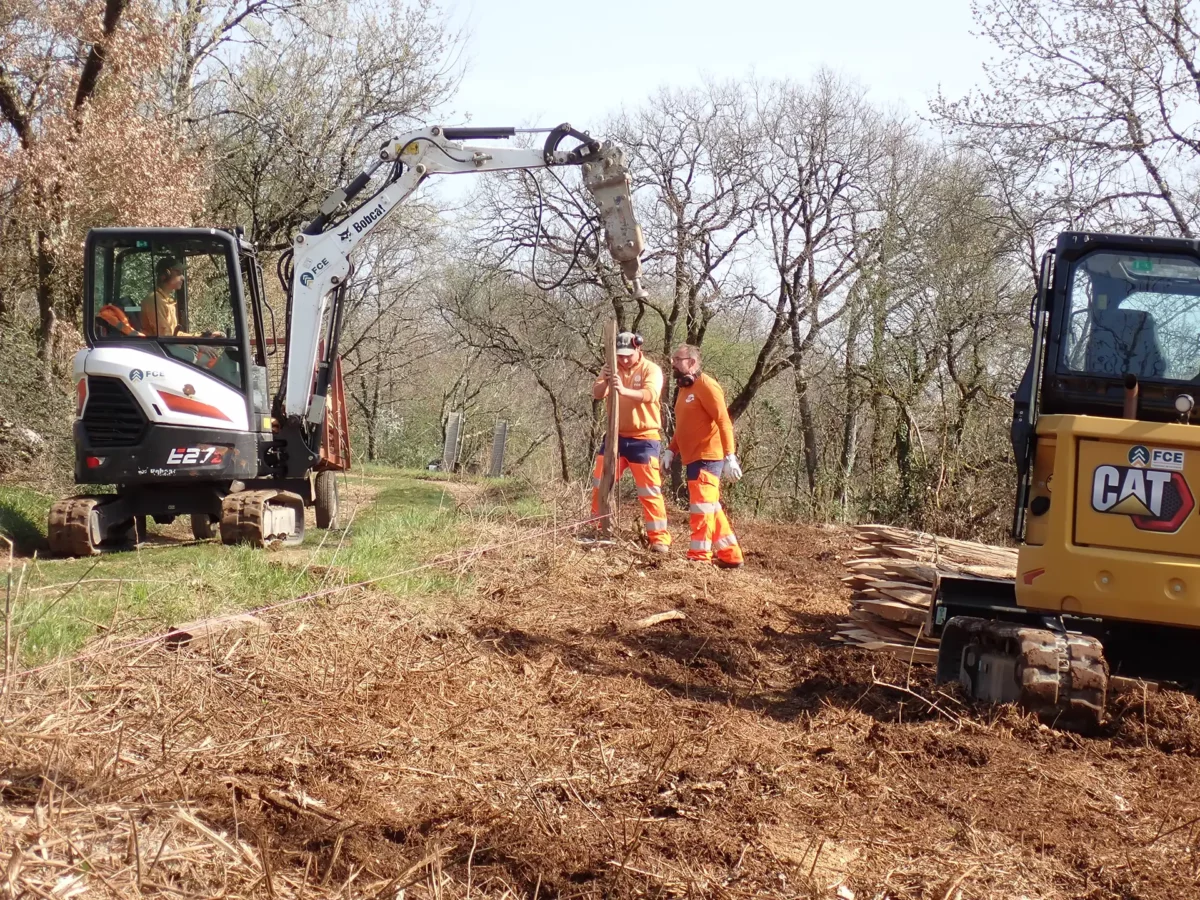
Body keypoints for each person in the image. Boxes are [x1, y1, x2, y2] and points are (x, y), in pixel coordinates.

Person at [662, 343, 744, 568]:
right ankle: (730, 554)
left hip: (708, 457)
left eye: (677, 359)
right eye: (673, 359)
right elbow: (684, 426)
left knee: (701, 508)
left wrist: (730, 456)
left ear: (692, 362)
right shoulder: (684, 389)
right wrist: (671, 449)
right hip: (692, 458)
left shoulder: (707, 386)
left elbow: (723, 421)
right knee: (710, 507)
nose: (673, 363)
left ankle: (699, 556)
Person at [591, 331, 672, 553]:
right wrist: (606, 379)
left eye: (628, 355)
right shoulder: (611, 368)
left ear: (638, 349)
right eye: (620, 355)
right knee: (601, 484)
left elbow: (650, 394)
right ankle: (596, 527)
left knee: (649, 491)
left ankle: (659, 538)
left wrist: (623, 390)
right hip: (614, 436)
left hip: (644, 439)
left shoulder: (651, 369)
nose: (624, 359)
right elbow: (597, 393)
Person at [142, 258, 199, 337]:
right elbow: (165, 337)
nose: (183, 278)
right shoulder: (155, 300)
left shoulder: (167, 301)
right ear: (166, 274)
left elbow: (174, 335)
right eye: (178, 273)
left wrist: (202, 337)